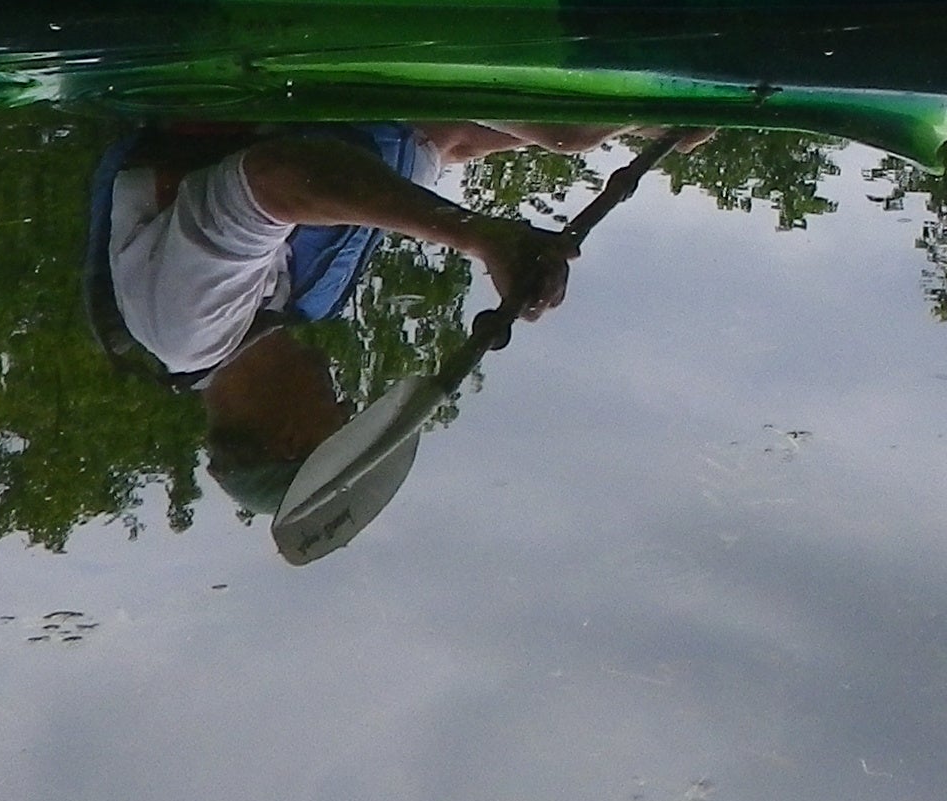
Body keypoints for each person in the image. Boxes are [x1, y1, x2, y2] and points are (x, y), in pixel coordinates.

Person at [92, 117, 635, 543]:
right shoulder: (304, 299)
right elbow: (445, 141)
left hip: (266, 63)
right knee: (573, 134)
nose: (348, 406)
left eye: (339, 426)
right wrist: (633, 123)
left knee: (566, 134)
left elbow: (275, 177)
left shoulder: (186, 329)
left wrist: (479, 235)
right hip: (339, 88)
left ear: (290, 440)